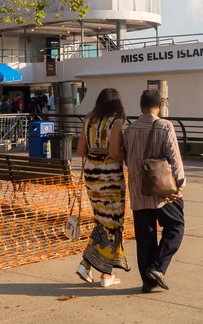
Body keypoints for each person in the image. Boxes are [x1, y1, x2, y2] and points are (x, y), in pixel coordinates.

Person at [123, 89, 186, 293]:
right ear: (159, 106)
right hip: (162, 189)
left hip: (138, 189)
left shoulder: (129, 130)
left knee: (145, 235)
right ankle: (157, 266)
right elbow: (174, 158)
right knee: (176, 225)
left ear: (140, 106)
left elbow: (126, 158)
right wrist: (180, 184)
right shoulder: (164, 126)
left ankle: (147, 282)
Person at [75, 88, 129, 287]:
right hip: (110, 179)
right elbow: (115, 153)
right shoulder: (115, 122)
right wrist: (128, 153)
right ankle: (105, 274)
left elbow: (81, 150)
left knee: (102, 222)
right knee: (114, 223)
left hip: (92, 177)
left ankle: (87, 265)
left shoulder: (89, 121)